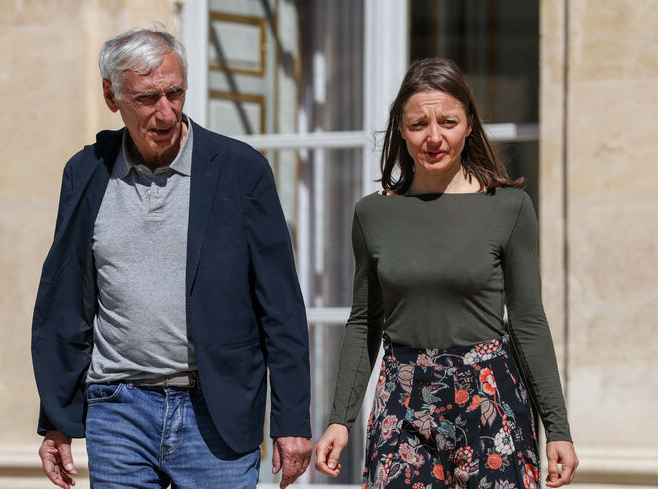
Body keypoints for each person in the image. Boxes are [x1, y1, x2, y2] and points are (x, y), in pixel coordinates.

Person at [31, 27, 312, 489]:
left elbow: (280, 305)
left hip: (216, 413)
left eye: (175, 92)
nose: (166, 112)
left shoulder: (241, 170)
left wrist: (291, 419)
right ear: (111, 96)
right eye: (146, 99)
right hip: (117, 409)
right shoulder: (85, 173)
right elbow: (64, 303)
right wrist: (57, 418)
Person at [314, 58, 578, 489]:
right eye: (418, 124)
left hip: (490, 402)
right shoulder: (373, 214)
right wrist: (340, 420)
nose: (434, 137)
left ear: (470, 124)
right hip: (401, 402)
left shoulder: (508, 209)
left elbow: (529, 321)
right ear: (401, 128)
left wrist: (558, 427)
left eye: (448, 121)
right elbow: (364, 323)